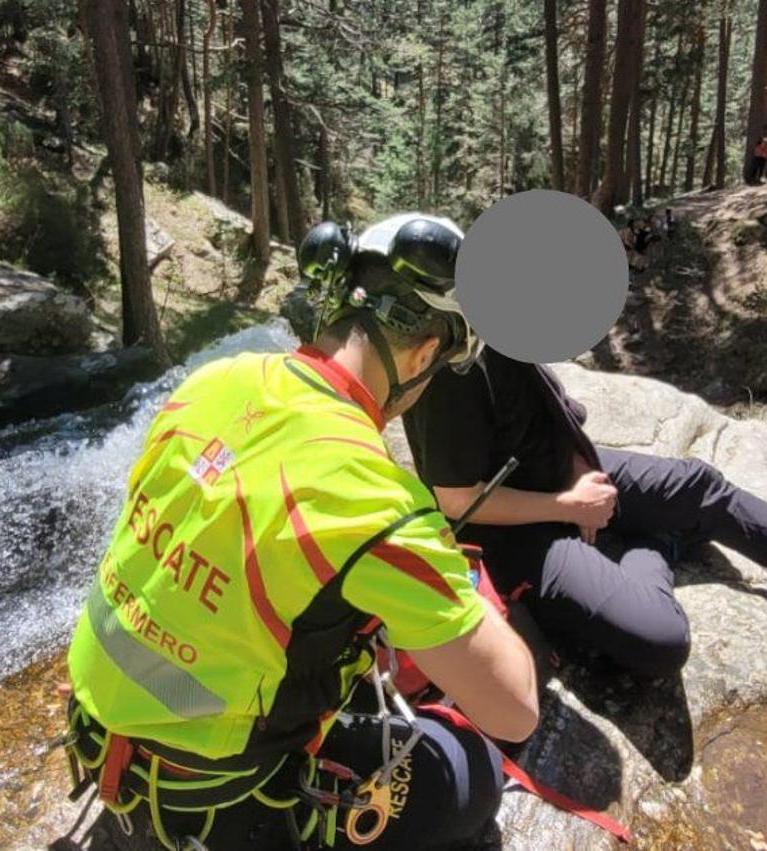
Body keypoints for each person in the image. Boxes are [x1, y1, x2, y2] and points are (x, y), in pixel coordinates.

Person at [62, 214, 538, 850]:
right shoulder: (377, 501)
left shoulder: (211, 381)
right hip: (213, 802)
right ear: (425, 355)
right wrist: (453, 584)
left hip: (95, 737)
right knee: (468, 772)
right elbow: (516, 708)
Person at [402, 348, 767, 679]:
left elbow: (556, 410)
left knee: (699, 486)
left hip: (558, 475)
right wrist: (570, 506)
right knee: (659, 640)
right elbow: (457, 500)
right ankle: (652, 546)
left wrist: (581, 472)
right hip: (508, 531)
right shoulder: (446, 371)